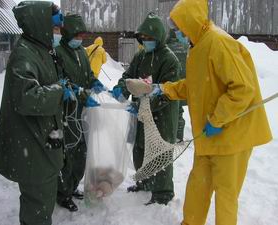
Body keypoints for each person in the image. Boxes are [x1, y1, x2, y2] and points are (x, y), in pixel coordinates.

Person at [143, 0, 272, 224]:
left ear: (190, 21)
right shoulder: (198, 45)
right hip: (209, 135)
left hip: (232, 136)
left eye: (178, 27)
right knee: (198, 185)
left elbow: (243, 88)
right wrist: (163, 89)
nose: (177, 33)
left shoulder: (219, 43)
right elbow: (195, 85)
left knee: (225, 194)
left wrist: (217, 119)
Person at [0, 2, 67, 225]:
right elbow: (26, 98)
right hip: (32, 145)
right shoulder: (24, 54)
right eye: (54, 28)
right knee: (37, 207)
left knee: (42, 202)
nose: (58, 33)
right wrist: (59, 91)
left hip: (41, 141)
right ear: (41, 25)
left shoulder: (40, 49)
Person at [111, 12, 181, 205]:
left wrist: (144, 105)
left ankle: (162, 193)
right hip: (140, 113)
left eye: (150, 38)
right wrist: (121, 88)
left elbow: (168, 92)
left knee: (160, 152)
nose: (146, 41)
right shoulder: (140, 55)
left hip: (162, 115)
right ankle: (144, 182)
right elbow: (128, 75)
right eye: (143, 37)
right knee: (140, 148)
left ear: (159, 37)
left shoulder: (169, 60)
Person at [55, 14, 105, 212]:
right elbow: (62, 81)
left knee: (82, 154)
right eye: (77, 35)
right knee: (68, 154)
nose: (80, 38)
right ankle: (62, 193)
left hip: (83, 113)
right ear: (67, 34)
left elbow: (88, 75)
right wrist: (83, 95)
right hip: (67, 113)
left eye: (83, 35)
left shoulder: (82, 52)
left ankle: (72, 186)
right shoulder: (57, 53)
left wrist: (95, 82)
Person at [166, 28, 189, 142]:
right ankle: (179, 136)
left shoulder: (167, 48)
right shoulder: (186, 48)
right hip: (185, 82)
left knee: (172, 110)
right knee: (179, 111)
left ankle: (172, 134)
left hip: (171, 82)